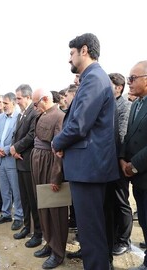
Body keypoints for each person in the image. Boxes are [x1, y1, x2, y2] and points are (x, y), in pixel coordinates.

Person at [52, 33, 119, 270]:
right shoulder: (94, 77)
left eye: (71, 53)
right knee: (94, 230)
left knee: (91, 232)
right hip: (89, 167)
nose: (68, 59)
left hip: (89, 169)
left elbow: (79, 124)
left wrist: (58, 143)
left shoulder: (93, 78)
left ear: (84, 50)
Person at [31, 89, 67, 269]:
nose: (34, 107)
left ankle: (58, 252)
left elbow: (60, 151)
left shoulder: (59, 116)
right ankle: (49, 242)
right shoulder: (44, 114)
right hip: (38, 164)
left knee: (55, 211)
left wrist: (56, 176)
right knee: (43, 207)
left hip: (49, 164)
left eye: (36, 103)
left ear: (46, 99)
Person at [120, 60, 147, 270]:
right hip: (137, 177)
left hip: (143, 172)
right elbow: (129, 136)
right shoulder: (137, 104)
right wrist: (122, 158)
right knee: (145, 221)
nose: (129, 83)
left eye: (132, 78)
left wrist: (133, 165)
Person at [10, 84, 42, 247]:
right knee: (24, 199)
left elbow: (31, 135)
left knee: (33, 199)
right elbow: (17, 135)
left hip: (29, 162)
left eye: (19, 98)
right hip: (20, 161)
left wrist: (16, 148)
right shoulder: (21, 114)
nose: (17, 101)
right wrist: (14, 149)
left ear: (28, 97)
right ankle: (27, 227)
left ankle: (38, 232)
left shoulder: (34, 113)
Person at [108, 73, 133, 256]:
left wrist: (119, 159)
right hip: (108, 162)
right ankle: (115, 237)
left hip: (119, 160)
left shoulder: (125, 105)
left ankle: (124, 240)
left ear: (118, 87)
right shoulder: (108, 104)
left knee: (122, 201)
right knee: (111, 203)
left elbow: (122, 134)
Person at [0, 92, 23, 231]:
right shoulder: (0, 117)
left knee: (16, 190)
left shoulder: (19, 118)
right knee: (4, 189)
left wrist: (4, 149)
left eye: (6, 103)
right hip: (0, 159)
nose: (3, 106)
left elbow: (16, 138)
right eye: (2, 103)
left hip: (11, 159)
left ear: (13, 103)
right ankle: (6, 214)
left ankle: (18, 216)